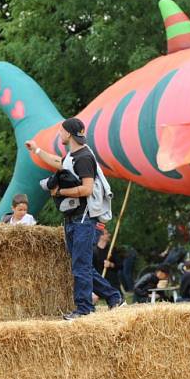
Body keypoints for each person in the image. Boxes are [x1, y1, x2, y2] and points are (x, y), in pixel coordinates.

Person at [25, 117, 122, 319]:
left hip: (84, 219)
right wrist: (36, 150)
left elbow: (86, 189)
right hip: (73, 218)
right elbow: (59, 163)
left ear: (68, 134)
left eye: (61, 131)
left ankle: (84, 309)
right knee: (81, 264)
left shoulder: (84, 158)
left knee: (81, 265)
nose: (59, 134)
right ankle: (114, 297)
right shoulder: (73, 155)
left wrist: (60, 192)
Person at [93, 227, 122, 297]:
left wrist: (111, 264)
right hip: (99, 281)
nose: (109, 235)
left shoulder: (111, 249)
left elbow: (120, 265)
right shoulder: (93, 251)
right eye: (107, 233)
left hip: (112, 283)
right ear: (101, 236)